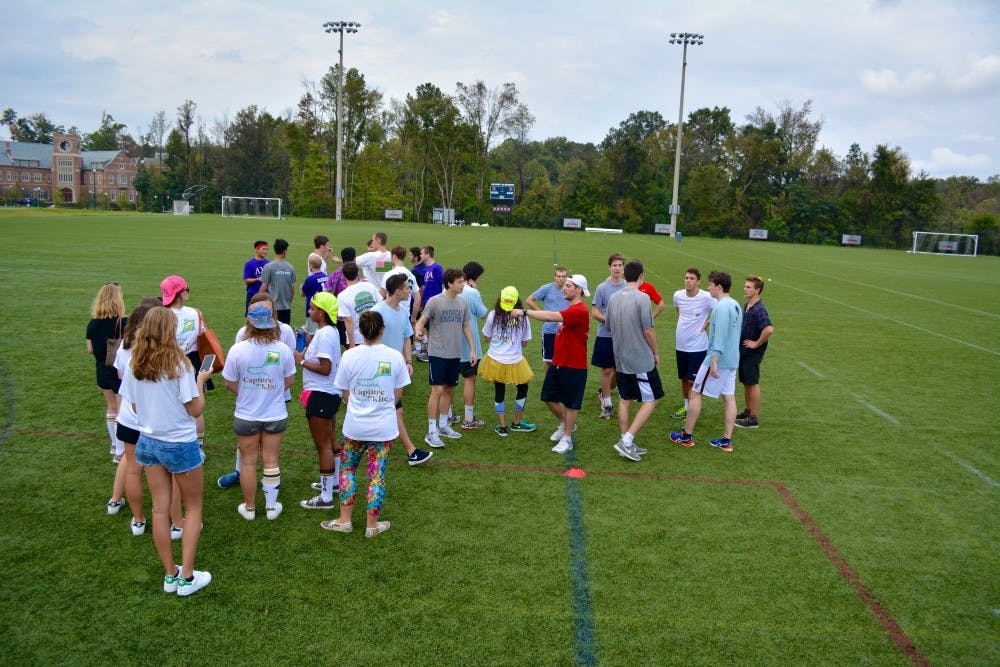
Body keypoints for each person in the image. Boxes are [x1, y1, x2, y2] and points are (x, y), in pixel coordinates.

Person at [120, 307, 212, 596]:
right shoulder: (180, 364)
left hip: (148, 441)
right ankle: (187, 578)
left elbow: (134, 406)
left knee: (160, 509)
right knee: (193, 507)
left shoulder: (135, 363)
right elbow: (195, 409)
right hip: (180, 443)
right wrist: (200, 383)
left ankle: (170, 574)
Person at [321, 311, 410, 537]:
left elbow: (345, 393)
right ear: (382, 329)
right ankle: (372, 525)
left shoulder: (350, 356)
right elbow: (397, 395)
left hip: (355, 426)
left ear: (360, 330)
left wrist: (360, 404)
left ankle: (344, 520)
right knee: (377, 476)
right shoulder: (394, 356)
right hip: (384, 427)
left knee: (348, 470)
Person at [222, 300, 296, 521]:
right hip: (275, 414)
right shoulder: (282, 349)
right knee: (271, 459)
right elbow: (290, 381)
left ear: (249, 321)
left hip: (246, 415)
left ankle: (250, 507)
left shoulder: (238, 350)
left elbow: (229, 383)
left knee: (248, 462)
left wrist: (247, 393)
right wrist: (270, 392)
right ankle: (271, 507)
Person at [510, 274, 590, 454]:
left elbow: (552, 316)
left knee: (571, 404)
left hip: (574, 366)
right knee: (548, 396)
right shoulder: (571, 308)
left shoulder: (579, 310)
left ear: (579, 290)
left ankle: (567, 438)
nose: (564, 288)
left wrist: (524, 312)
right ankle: (565, 424)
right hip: (559, 362)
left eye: (568, 285)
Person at [670, 271, 743, 452]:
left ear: (719, 286)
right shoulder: (735, 305)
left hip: (718, 360)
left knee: (695, 393)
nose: (708, 288)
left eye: (710, 285)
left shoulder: (721, 307)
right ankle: (726, 440)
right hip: (732, 359)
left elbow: (720, 336)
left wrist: (714, 361)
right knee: (729, 398)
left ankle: (686, 436)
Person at [605, 260, 663, 462]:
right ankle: (627, 440)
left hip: (620, 358)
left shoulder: (613, 298)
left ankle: (625, 440)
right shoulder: (643, 298)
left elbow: (609, 326)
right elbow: (648, 331)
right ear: (641, 276)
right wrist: (655, 352)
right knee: (653, 398)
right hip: (640, 359)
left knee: (625, 398)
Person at [413, 268, 476, 448]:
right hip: (438, 353)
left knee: (449, 389)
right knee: (437, 390)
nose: (463, 285)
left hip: (455, 353)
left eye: (463, 281)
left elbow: (466, 326)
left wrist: (472, 349)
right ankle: (431, 431)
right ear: (449, 283)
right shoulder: (435, 301)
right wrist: (418, 331)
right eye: (459, 282)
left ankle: (443, 425)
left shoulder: (462, 302)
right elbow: (422, 320)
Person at [373, 274, 433, 465]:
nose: (410, 290)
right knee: (394, 408)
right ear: (398, 291)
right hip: (381, 368)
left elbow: (407, 337)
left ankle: (369, 442)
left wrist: (408, 362)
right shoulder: (377, 311)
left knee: (388, 407)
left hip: (396, 367)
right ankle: (411, 451)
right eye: (407, 287)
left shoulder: (402, 311)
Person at [295, 292, 343, 510]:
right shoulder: (329, 331)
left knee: (323, 446)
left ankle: (326, 497)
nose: (309, 310)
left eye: (313, 308)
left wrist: (301, 361)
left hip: (321, 394)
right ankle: (335, 483)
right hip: (330, 393)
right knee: (331, 441)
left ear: (322, 313)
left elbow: (325, 368)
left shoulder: (324, 335)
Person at [478, 286, 535, 437]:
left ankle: (502, 426)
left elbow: (487, 338)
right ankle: (516, 423)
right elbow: (524, 343)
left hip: (495, 359)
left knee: (499, 390)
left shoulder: (493, 315)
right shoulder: (523, 317)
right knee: (522, 388)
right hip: (515, 360)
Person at [85, 282, 127, 478]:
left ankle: (114, 445)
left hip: (101, 369)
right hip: (118, 370)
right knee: (121, 410)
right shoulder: (123, 322)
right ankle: (120, 451)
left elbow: (90, 349)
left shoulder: (92, 324)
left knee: (110, 408)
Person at [160, 275, 209, 443]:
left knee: (172, 405)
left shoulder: (161, 315)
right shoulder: (195, 313)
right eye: (186, 289)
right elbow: (202, 335)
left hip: (167, 361)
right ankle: (198, 446)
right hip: (192, 361)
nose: (188, 291)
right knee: (196, 407)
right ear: (179, 293)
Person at [670, 268, 716, 420]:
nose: (688, 281)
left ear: (698, 282)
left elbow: (721, 309)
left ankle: (692, 410)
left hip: (698, 347)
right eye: (686, 278)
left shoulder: (706, 297)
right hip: (681, 345)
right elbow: (678, 310)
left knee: (693, 381)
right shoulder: (678, 295)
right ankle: (686, 406)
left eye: (692, 278)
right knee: (684, 378)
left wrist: (709, 321)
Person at [736, 275, 774, 429]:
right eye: (745, 286)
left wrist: (757, 343)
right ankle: (747, 411)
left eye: (749, 287)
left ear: (757, 290)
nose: (745, 289)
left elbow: (769, 329)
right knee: (746, 382)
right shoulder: (747, 305)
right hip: (743, 350)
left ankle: (753, 418)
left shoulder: (759, 309)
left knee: (752, 383)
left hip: (752, 353)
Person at [591, 253, 626, 419]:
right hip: (606, 335)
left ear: (623, 268)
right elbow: (595, 312)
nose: (617, 268)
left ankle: (610, 392)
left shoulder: (628, 286)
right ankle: (607, 402)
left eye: (620, 265)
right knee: (606, 369)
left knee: (620, 369)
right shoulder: (602, 288)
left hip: (625, 336)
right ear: (609, 267)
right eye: (614, 265)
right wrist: (609, 321)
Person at [458, 261, 488, 430]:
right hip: (468, 345)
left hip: (449, 343)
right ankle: (468, 419)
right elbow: (483, 314)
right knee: (469, 379)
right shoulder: (472, 292)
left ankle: (447, 417)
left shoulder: (448, 289)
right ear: (474, 277)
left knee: (447, 385)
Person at [526, 267, 570, 371]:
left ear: (567, 277)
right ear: (554, 277)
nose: (561, 279)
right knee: (548, 360)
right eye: (559, 276)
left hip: (566, 330)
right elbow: (529, 300)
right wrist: (541, 313)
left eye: (564, 276)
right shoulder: (546, 288)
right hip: (550, 330)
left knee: (565, 360)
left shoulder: (569, 290)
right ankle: (548, 380)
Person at [337, 261, 383, 349]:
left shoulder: (342, 296)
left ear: (343, 276)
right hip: (375, 333)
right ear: (358, 273)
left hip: (357, 339)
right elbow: (381, 306)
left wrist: (352, 344)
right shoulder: (370, 286)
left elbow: (348, 320)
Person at [411, 245, 443, 361]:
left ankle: (430, 353)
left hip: (435, 304)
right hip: (426, 304)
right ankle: (429, 351)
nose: (420, 255)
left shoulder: (436, 268)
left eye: (422, 253)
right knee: (429, 328)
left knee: (432, 329)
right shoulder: (428, 269)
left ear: (428, 254)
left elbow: (447, 282)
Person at [258, 238, 297, 325]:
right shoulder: (290, 267)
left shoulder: (268, 267)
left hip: (272, 307)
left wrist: (258, 302)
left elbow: (263, 287)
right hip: (286, 307)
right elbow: (292, 288)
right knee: (284, 330)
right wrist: (289, 302)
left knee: (272, 330)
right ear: (285, 251)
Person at [300, 253, 327, 335]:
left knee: (313, 334)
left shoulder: (310, 279)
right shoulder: (325, 276)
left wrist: (301, 287)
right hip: (324, 308)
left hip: (313, 310)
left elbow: (302, 294)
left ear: (311, 266)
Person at [243, 240, 269, 314]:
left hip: (266, 295)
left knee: (265, 316)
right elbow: (246, 280)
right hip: (253, 294)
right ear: (257, 250)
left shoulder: (268, 263)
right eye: (263, 249)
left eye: (266, 249)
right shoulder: (249, 263)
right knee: (251, 316)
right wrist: (257, 279)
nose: (265, 251)